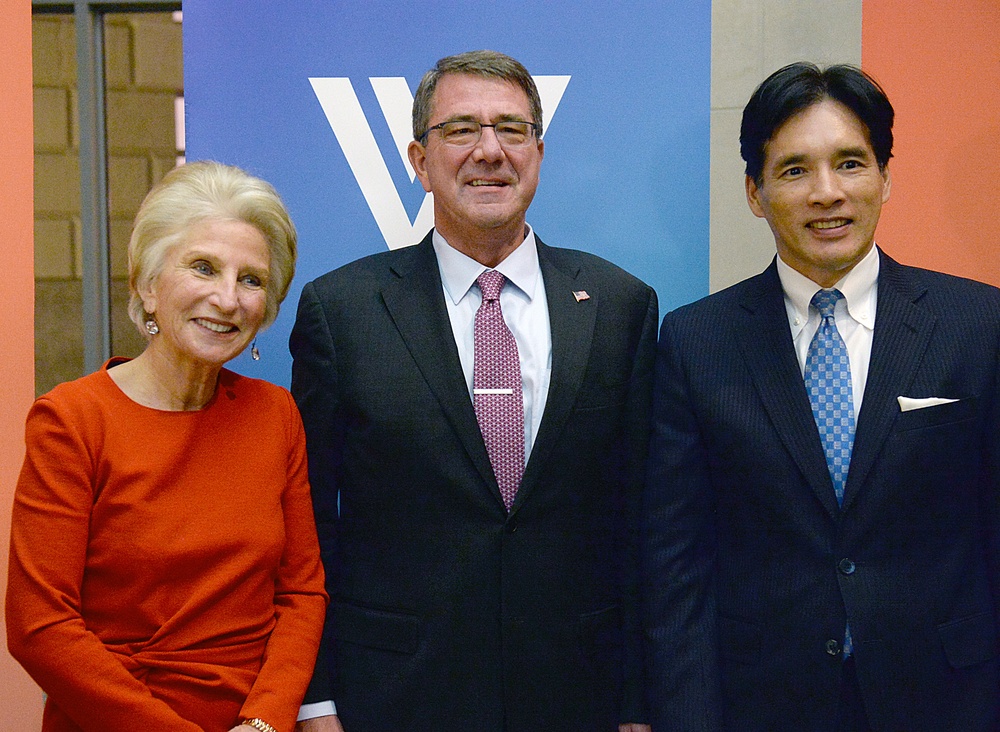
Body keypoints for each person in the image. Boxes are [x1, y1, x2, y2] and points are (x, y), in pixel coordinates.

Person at [290, 50, 656, 732]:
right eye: (461, 129)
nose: (490, 150)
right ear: (418, 160)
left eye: (511, 130)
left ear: (538, 154)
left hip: (577, 693)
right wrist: (316, 698)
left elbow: (639, 521)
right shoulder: (341, 311)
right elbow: (309, 523)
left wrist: (639, 702)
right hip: (394, 694)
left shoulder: (619, 305)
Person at [643, 61, 1000, 731]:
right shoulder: (698, 341)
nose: (827, 194)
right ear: (754, 192)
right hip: (764, 702)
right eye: (795, 170)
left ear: (886, 177)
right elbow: (676, 564)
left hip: (949, 698)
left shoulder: (979, 325)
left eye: (850, 163)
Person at [6, 161, 328, 732]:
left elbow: (301, 593)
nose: (228, 299)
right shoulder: (72, 420)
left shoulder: (276, 416)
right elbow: (40, 626)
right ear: (147, 286)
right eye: (203, 268)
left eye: (251, 279)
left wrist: (265, 722)